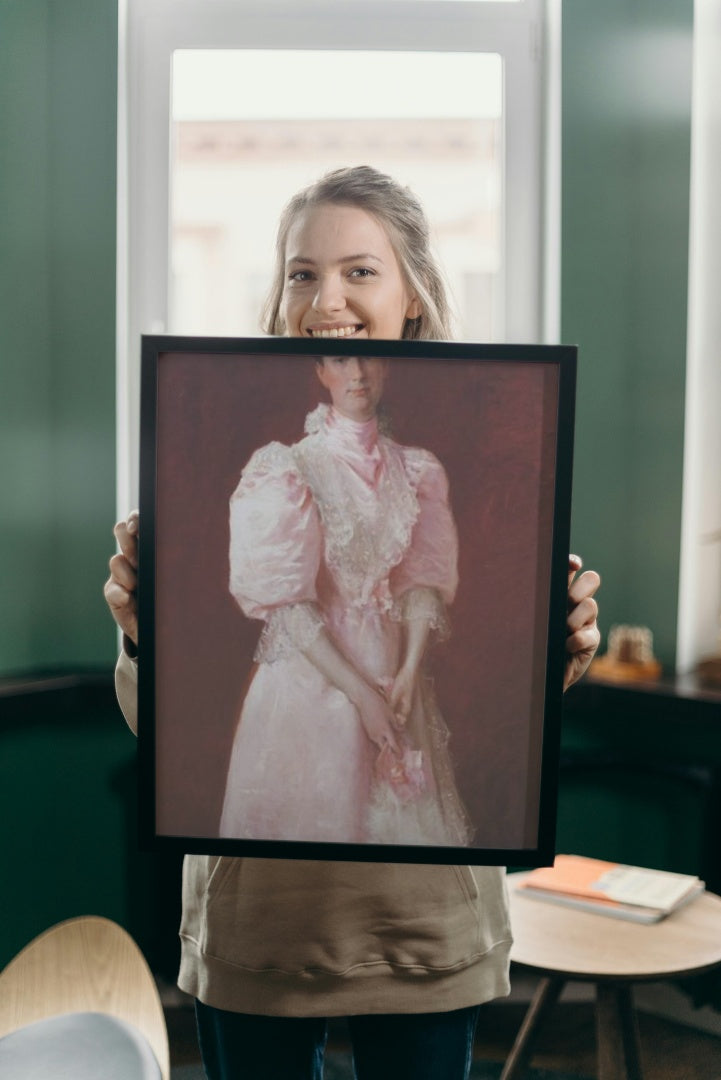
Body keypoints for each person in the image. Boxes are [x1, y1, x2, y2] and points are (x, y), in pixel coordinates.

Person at [105, 166, 601, 1080]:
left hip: (419, 915)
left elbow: (426, 589)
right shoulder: (275, 467)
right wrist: (144, 637)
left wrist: (549, 651)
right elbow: (190, 692)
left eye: (359, 271)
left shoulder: (424, 469)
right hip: (273, 865)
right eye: (302, 273)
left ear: (412, 294)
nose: (326, 300)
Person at [219, 354, 472, 848]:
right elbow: (287, 605)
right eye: (340, 360)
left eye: (369, 360)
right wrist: (361, 697)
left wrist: (408, 671)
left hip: (392, 673)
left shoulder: (417, 470)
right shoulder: (290, 469)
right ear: (321, 371)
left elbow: (421, 581)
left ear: (388, 367)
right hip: (313, 683)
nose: (357, 374)